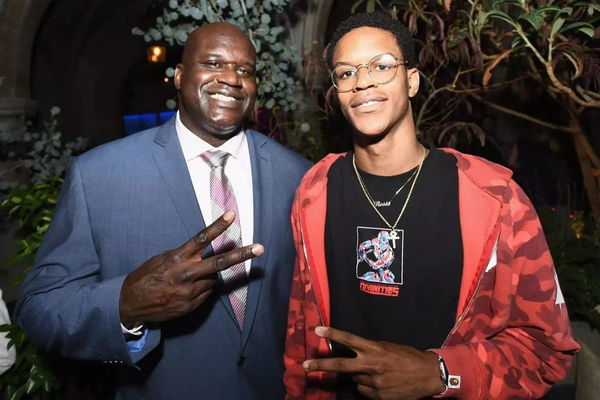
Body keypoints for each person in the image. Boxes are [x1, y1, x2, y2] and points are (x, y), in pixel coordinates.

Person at [284, 12, 579, 400]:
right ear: (337, 91)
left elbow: (547, 349)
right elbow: (302, 341)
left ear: (412, 81)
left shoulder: (493, 198)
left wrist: (441, 372)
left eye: (382, 66)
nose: (364, 81)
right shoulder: (314, 194)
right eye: (346, 72)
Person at [16, 22, 311, 399]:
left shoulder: (298, 176)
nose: (231, 79)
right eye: (213, 63)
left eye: (245, 70)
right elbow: (39, 308)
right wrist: (125, 305)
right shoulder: (99, 176)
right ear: (179, 76)